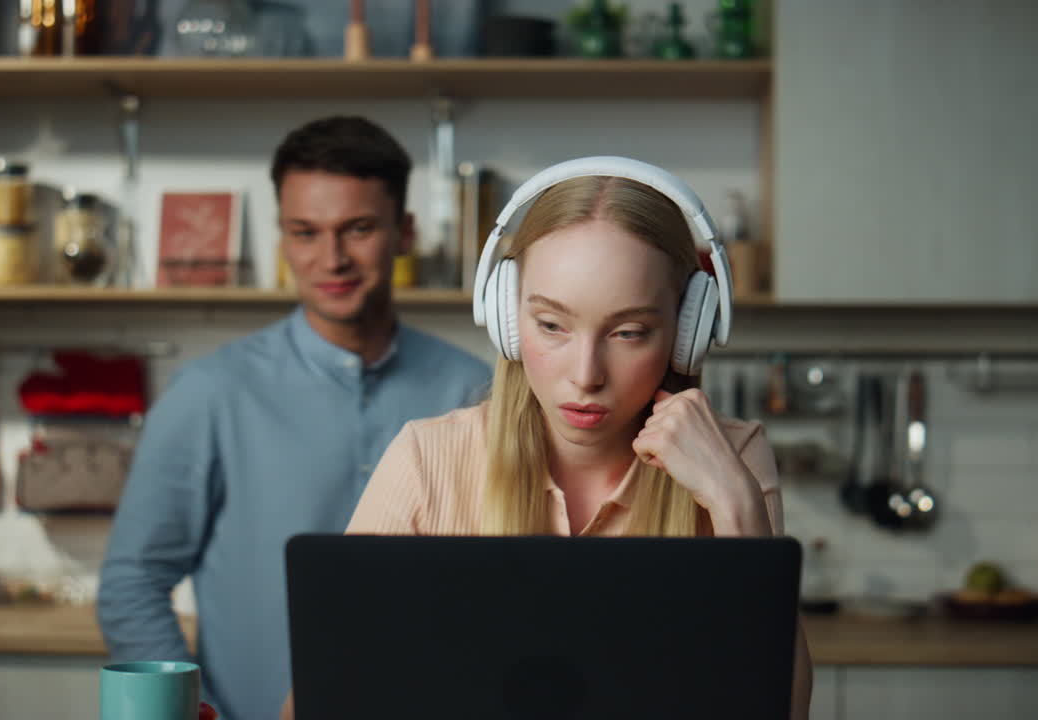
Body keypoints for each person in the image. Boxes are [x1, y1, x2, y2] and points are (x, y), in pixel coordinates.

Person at [280, 157, 812, 720]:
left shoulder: (734, 459)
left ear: (688, 332)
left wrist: (735, 505)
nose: (586, 374)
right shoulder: (427, 459)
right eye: (552, 325)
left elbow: (782, 712)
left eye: (630, 332)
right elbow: (319, 699)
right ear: (507, 319)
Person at [98, 115, 492, 720]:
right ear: (283, 238)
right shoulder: (209, 393)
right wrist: (196, 711)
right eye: (305, 232)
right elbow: (133, 582)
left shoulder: (475, 390)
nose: (331, 258)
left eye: (357, 228)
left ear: (404, 232)